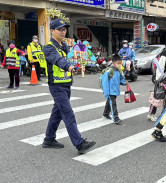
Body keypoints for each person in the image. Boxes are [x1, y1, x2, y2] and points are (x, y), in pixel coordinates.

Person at [42, 18, 96, 154]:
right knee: (68, 114)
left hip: (66, 84)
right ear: (52, 31)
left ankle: (49, 139)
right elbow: (58, 60)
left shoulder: (65, 46)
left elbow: (70, 59)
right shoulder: (49, 47)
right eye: (60, 29)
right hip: (56, 86)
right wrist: (68, 66)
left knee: (58, 113)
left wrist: (76, 66)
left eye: (64, 29)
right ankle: (79, 143)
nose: (63, 31)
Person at [101, 54, 126, 124]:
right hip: (110, 91)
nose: (120, 65)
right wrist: (106, 92)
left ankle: (105, 113)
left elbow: (121, 78)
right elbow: (104, 82)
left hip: (115, 90)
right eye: (118, 63)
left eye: (121, 63)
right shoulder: (109, 71)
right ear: (113, 63)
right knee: (113, 103)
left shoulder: (119, 71)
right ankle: (116, 118)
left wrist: (124, 83)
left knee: (110, 102)